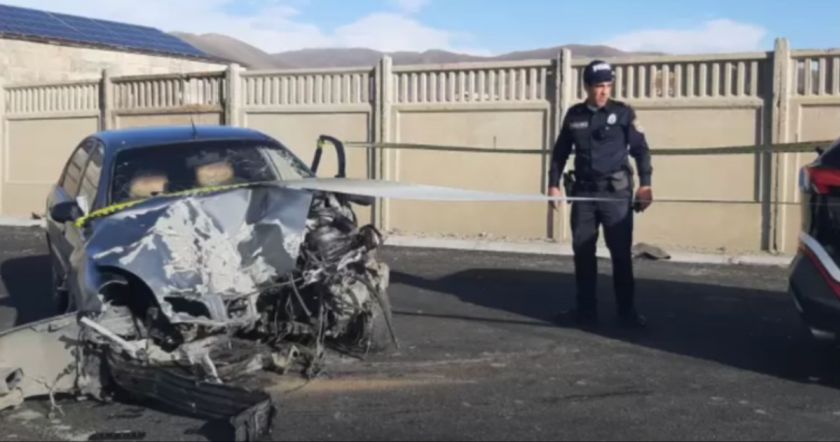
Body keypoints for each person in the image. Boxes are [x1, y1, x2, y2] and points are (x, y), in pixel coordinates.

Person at [548, 59, 653, 329]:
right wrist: (553, 184)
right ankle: (586, 313)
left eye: (608, 85)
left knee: (620, 255)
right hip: (584, 195)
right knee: (583, 254)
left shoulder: (623, 113)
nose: (604, 91)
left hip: (614, 195)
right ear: (586, 86)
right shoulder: (574, 115)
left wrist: (645, 184)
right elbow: (560, 152)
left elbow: (641, 150)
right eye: (598, 86)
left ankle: (627, 314)